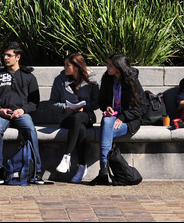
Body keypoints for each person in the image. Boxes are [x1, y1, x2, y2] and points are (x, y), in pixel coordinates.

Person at [0, 42, 45, 185]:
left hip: (21, 113)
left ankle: (36, 172)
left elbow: (34, 101)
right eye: (4, 55)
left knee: (30, 129)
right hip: (1, 114)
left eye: (9, 55)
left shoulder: (29, 77)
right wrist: (0, 110)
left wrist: (23, 110)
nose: (5, 58)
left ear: (17, 57)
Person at [90, 52, 149, 186]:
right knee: (106, 122)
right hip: (111, 119)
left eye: (110, 65)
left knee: (106, 129)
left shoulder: (132, 80)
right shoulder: (107, 78)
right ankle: (105, 171)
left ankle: (103, 172)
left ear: (119, 67)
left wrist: (123, 117)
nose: (107, 67)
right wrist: (106, 108)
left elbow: (143, 106)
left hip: (129, 121)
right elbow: (101, 100)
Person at [50, 53, 100, 183]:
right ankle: (82, 166)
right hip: (67, 117)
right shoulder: (60, 80)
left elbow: (97, 102)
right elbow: (53, 102)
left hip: (87, 115)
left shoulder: (91, 80)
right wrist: (65, 109)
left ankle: (67, 156)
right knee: (80, 127)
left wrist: (85, 107)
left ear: (77, 67)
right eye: (65, 64)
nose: (65, 67)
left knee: (79, 118)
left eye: (68, 65)